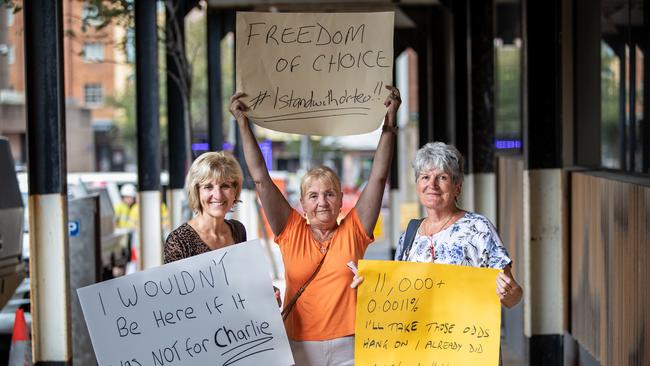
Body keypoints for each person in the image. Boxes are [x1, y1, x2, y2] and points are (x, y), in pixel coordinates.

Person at [230, 85, 401, 366]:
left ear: (341, 199)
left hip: (350, 346)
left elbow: (378, 177)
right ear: (302, 204)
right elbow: (260, 178)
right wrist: (243, 123)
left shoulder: (354, 231)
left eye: (329, 194)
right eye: (313, 196)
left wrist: (390, 122)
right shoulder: (290, 230)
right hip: (299, 346)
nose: (322, 202)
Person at [393, 142, 522, 308]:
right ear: (418, 186)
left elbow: (512, 297)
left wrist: (510, 293)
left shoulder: (477, 228)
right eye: (425, 177)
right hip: (419, 332)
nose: (432, 185)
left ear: (457, 187)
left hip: (465, 332)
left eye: (442, 177)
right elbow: (397, 295)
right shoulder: (408, 236)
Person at [163, 151, 247, 263]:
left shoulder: (238, 231)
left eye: (225, 186)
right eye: (208, 187)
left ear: (235, 191)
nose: (218, 195)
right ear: (196, 191)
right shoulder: (179, 240)